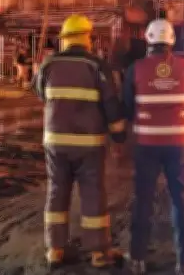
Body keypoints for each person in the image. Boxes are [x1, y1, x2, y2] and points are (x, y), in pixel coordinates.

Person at [34, 14, 127, 269]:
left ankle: (55, 249)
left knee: (56, 192)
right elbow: (110, 103)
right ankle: (98, 253)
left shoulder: (48, 64)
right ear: (87, 38)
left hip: (55, 143)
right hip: (89, 144)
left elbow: (40, 92)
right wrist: (118, 134)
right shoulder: (97, 65)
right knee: (93, 194)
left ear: (64, 40)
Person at [122, 19, 184, 275]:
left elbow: (127, 108)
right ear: (172, 41)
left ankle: (137, 259)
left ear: (148, 39)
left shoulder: (135, 69)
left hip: (147, 144)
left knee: (143, 199)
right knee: (180, 199)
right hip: (178, 145)